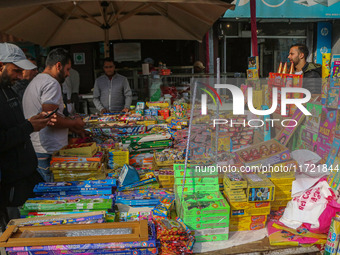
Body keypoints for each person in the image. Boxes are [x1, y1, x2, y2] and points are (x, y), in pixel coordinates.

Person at [0, 43, 55, 225]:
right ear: (1, 66)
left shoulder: (8, 90)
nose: (20, 75)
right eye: (16, 70)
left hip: (26, 175)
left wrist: (32, 122)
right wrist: (28, 127)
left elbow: (16, 126)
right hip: (10, 185)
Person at [23, 48, 86, 182]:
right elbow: (51, 119)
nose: (68, 74)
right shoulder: (51, 83)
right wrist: (75, 123)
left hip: (40, 148)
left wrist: (72, 127)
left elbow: (52, 116)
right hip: (48, 151)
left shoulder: (38, 80)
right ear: (58, 66)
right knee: (53, 192)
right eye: (67, 69)